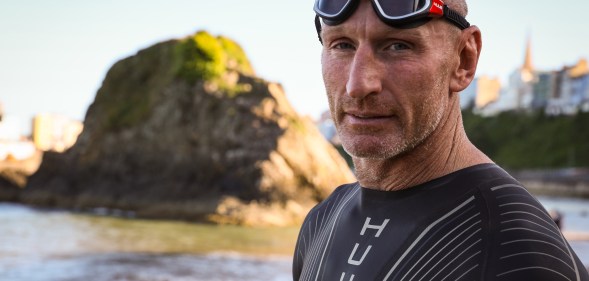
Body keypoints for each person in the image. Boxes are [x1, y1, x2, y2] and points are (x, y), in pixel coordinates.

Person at [292, 0, 589, 280]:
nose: (358, 85)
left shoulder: (518, 253)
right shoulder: (321, 221)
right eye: (342, 45)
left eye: (398, 46)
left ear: (463, 60)